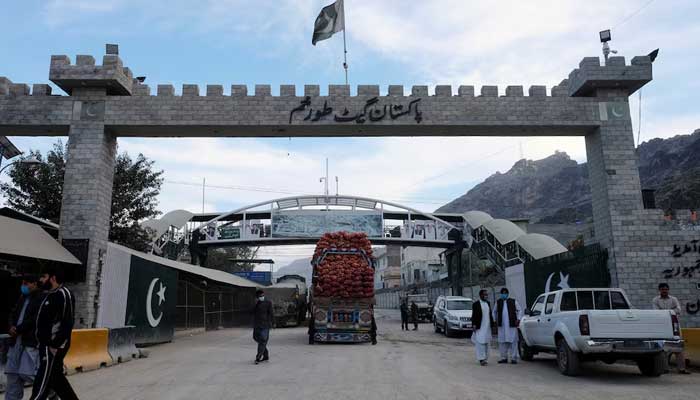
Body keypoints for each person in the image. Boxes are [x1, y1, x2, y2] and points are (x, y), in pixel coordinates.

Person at [30, 267, 79, 400]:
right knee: (55, 379)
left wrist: (56, 344)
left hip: (52, 346)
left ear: (53, 278)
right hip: (45, 344)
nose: (41, 280)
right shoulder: (50, 294)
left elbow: (67, 321)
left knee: (42, 381)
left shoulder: (64, 294)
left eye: (44, 276)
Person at [5, 275, 45, 400]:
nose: (24, 286)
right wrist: (11, 326)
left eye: (26, 283)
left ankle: (49, 389)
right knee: (12, 376)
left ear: (34, 284)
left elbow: (35, 319)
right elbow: (12, 313)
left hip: (28, 342)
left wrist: (19, 329)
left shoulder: (41, 299)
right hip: (15, 342)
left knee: (28, 374)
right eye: (23, 283)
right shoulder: (22, 297)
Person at [652, 283, 690, 374]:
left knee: (678, 346)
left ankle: (681, 369)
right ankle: (665, 369)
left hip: (674, 326)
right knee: (663, 347)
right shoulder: (655, 300)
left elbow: (679, 310)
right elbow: (656, 312)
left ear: (668, 290)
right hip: (662, 326)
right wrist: (671, 311)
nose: (664, 291)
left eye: (666, 289)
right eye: (662, 289)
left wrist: (664, 312)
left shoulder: (674, 299)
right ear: (659, 290)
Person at [492, 288, 522, 364]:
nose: (504, 294)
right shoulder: (498, 302)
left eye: (505, 293)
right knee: (502, 342)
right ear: (501, 294)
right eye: (502, 293)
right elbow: (494, 312)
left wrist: (518, 319)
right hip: (502, 326)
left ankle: (514, 358)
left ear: (508, 294)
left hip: (511, 325)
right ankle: (503, 358)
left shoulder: (513, 301)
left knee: (513, 341)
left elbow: (519, 310)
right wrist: (495, 321)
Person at [471, 289, 494, 366]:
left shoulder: (488, 303)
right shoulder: (476, 304)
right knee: (480, 343)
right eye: (484, 294)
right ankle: (481, 359)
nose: (486, 296)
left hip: (487, 327)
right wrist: (474, 324)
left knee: (487, 342)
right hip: (479, 327)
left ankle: (485, 358)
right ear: (480, 295)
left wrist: (493, 324)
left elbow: (490, 315)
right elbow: (473, 315)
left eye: (487, 294)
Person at [252, 289, 273, 364]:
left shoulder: (268, 302)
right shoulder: (256, 303)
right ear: (257, 297)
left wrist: (273, 323)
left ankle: (258, 358)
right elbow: (252, 312)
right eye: (260, 296)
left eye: (263, 295)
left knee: (263, 340)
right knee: (256, 338)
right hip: (257, 324)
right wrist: (256, 304)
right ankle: (266, 355)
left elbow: (271, 313)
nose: (262, 297)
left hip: (265, 325)